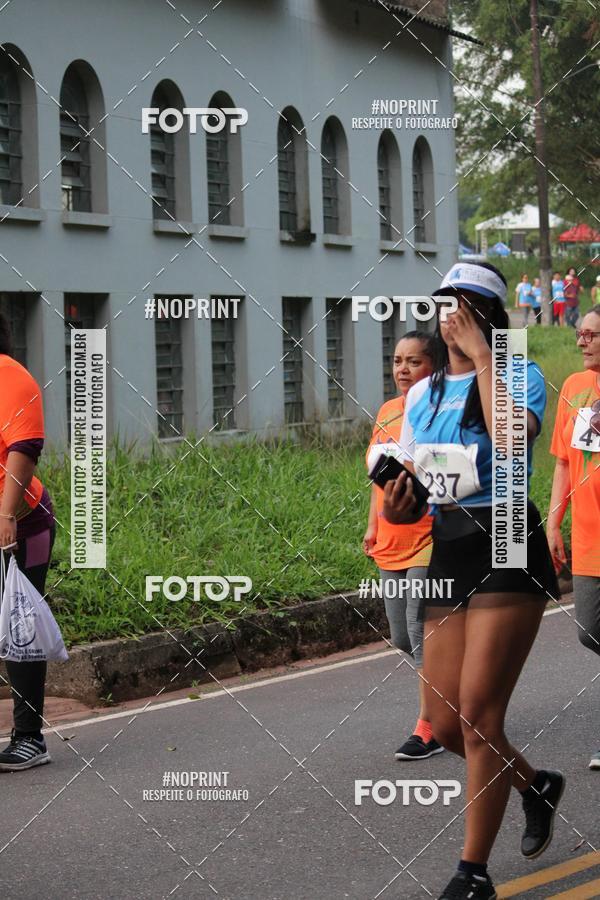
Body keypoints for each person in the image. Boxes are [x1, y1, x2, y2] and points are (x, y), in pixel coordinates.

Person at [382, 261, 564, 900]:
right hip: (451, 545)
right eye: (442, 303)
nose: (447, 315)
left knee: (483, 716)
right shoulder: (422, 393)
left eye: (460, 304)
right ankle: (534, 785)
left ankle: (472, 872)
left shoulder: (519, 372)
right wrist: (399, 505)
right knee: (448, 723)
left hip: (508, 536)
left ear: (486, 313)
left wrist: (486, 356)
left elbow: (513, 446)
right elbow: (411, 482)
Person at [364, 331, 443, 761]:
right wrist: (372, 523)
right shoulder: (387, 411)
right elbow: (378, 476)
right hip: (389, 538)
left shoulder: (439, 410)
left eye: (414, 362)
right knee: (400, 636)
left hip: (430, 535)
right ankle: (453, 693)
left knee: (419, 630)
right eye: (397, 361)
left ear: (434, 366)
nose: (403, 370)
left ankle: (428, 727)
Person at [0, 312, 56, 771]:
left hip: (21, 525)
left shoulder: (10, 376)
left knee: (20, 625)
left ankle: (29, 738)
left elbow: (24, 448)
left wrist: (5, 514)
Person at [547, 305, 600, 769]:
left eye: (591, 334)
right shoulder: (574, 388)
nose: (581, 341)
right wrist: (553, 520)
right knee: (590, 631)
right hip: (586, 533)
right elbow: (564, 461)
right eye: (580, 334)